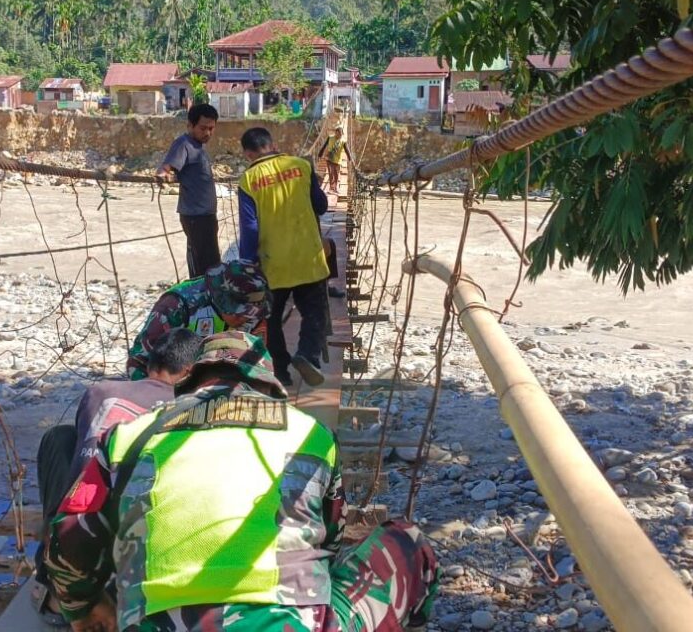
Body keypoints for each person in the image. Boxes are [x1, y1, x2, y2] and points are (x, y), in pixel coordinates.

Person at [43, 331, 439, 632]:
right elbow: (331, 541)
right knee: (409, 543)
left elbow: (68, 537)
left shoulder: (130, 436)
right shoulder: (310, 435)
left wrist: (82, 607)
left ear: (192, 382)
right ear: (267, 386)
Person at [33, 329, 204, 606]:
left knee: (59, 438)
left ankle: (48, 569)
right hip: (142, 549)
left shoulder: (101, 391)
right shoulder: (190, 407)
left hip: (76, 541)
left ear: (150, 363)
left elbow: (82, 453)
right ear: (189, 372)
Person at [237, 127, 330, 387]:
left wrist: (248, 263)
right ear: (272, 144)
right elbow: (321, 206)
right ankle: (308, 355)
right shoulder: (302, 166)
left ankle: (280, 372)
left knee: (272, 320)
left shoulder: (248, 180)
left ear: (247, 153)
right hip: (308, 258)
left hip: (272, 264)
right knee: (314, 312)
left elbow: (250, 228)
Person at [125, 260, 270, 380]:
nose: (245, 320)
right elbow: (138, 360)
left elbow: (256, 364)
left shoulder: (254, 315)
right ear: (220, 301)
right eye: (239, 313)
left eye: (250, 314)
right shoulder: (177, 306)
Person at [157, 103, 221, 277]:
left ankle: (207, 300)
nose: (207, 133)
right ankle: (201, 300)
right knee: (203, 268)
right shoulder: (183, 144)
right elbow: (166, 167)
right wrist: (163, 174)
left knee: (212, 264)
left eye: (211, 128)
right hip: (195, 217)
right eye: (203, 128)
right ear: (190, 125)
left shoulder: (198, 147)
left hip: (205, 216)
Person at [318, 123, 346, 193]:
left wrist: (350, 158)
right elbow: (324, 146)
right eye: (339, 133)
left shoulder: (343, 141)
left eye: (341, 134)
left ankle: (335, 188)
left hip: (338, 160)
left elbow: (347, 150)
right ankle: (331, 188)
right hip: (329, 159)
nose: (340, 135)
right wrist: (320, 154)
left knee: (336, 174)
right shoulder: (330, 138)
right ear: (336, 133)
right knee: (330, 173)